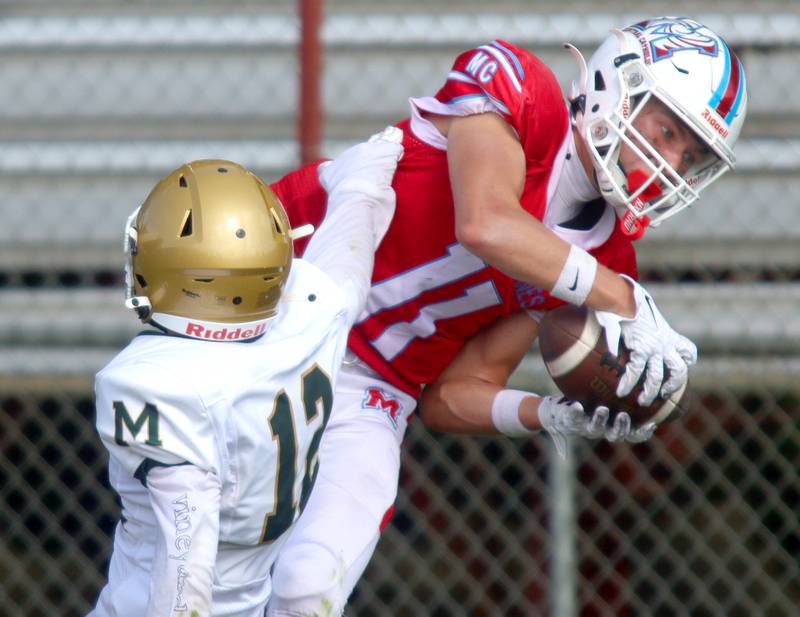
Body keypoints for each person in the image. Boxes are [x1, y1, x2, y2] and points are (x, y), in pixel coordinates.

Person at [266, 16, 747, 616]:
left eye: (691, 152)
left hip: (371, 386)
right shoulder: (522, 91)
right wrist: (617, 296)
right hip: (268, 303)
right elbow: (486, 222)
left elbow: (452, 394)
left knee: (308, 587)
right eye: (667, 128)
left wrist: (548, 413)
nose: (670, 160)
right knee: (187, 560)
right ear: (617, 83)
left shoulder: (608, 259)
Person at [88, 129, 403, 616]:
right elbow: (346, 263)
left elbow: (187, 560)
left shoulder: (151, 383)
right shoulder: (313, 318)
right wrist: (361, 184)